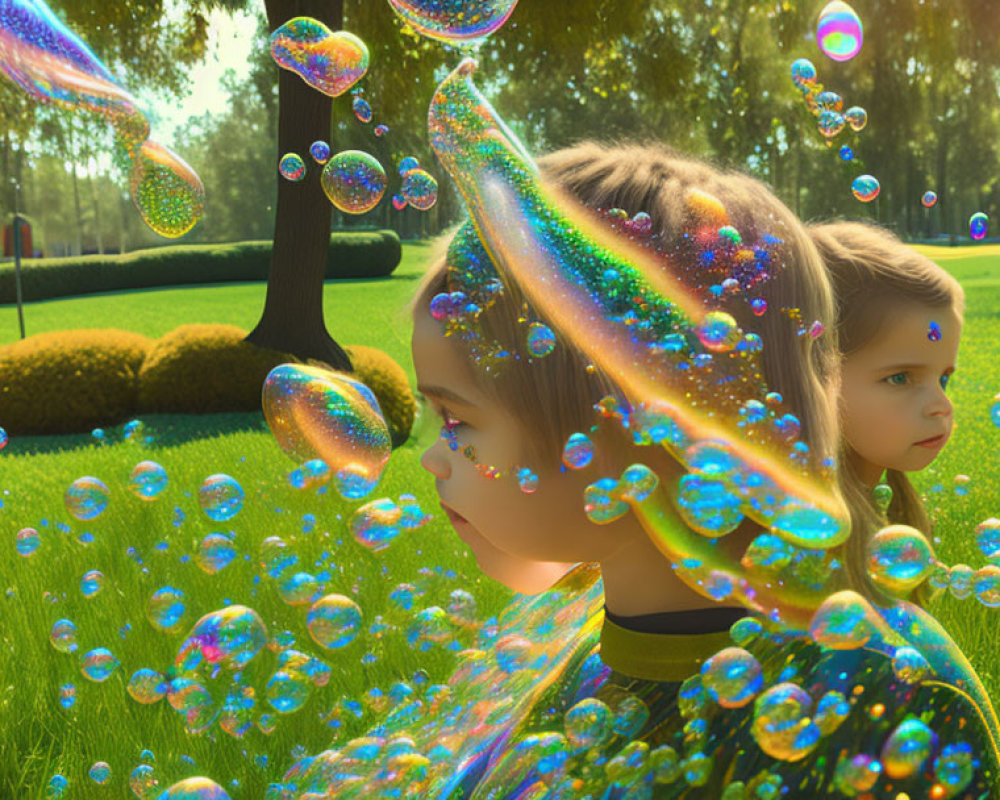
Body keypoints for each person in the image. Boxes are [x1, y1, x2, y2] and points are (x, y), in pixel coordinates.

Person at [403, 139, 998, 796]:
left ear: (643, 428)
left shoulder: (890, 701)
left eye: (456, 420)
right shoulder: (570, 683)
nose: (433, 454)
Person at [809, 221, 965, 603]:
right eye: (900, 378)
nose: (941, 407)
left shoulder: (887, 514)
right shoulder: (809, 541)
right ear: (818, 373)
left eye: (943, 379)